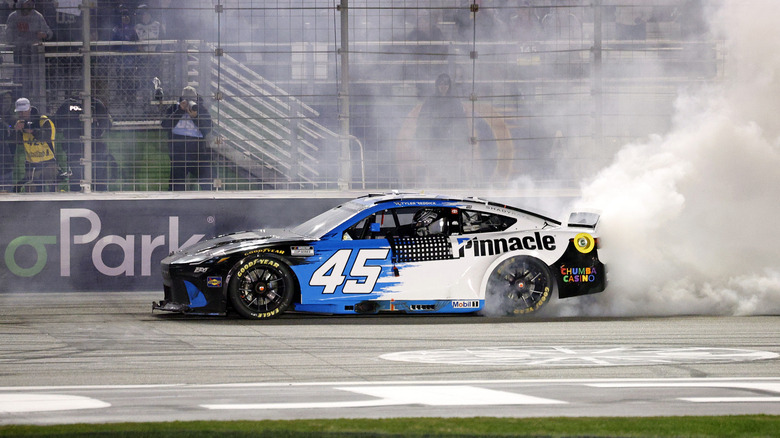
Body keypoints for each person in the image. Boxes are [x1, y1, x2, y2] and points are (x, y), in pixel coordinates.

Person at [54, 96, 114, 192]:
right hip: (84, 147)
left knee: (82, 178)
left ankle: (93, 195)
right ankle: (97, 195)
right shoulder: (95, 103)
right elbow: (107, 125)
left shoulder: (94, 104)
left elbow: (57, 124)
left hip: (84, 147)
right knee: (92, 178)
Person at [161, 86, 213, 191]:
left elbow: (208, 128)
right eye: (186, 100)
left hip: (197, 151)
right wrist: (180, 111)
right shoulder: (174, 108)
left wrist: (195, 117)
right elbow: (165, 125)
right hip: (178, 151)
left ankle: (212, 197)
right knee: (176, 184)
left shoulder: (201, 109)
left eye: (192, 100)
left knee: (208, 180)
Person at [5, 1, 52, 102]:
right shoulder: (13, 17)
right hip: (19, 54)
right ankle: (18, 101)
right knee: (20, 79)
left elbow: (49, 32)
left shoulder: (38, 16)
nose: (29, 6)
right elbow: (8, 37)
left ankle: (37, 102)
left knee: (35, 80)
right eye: (27, 3)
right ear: (21, 4)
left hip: (35, 55)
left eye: (31, 3)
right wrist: (22, 41)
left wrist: (44, 34)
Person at [11, 97, 58, 192]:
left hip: (48, 163)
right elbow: (17, 142)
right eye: (20, 112)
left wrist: (30, 130)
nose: (22, 114)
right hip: (31, 165)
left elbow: (46, 137)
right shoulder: (20, 123)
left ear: (30, 109)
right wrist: (16, 131)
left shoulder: (44, 121)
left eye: (24, 111)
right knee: (32, 194)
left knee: (52, 194)